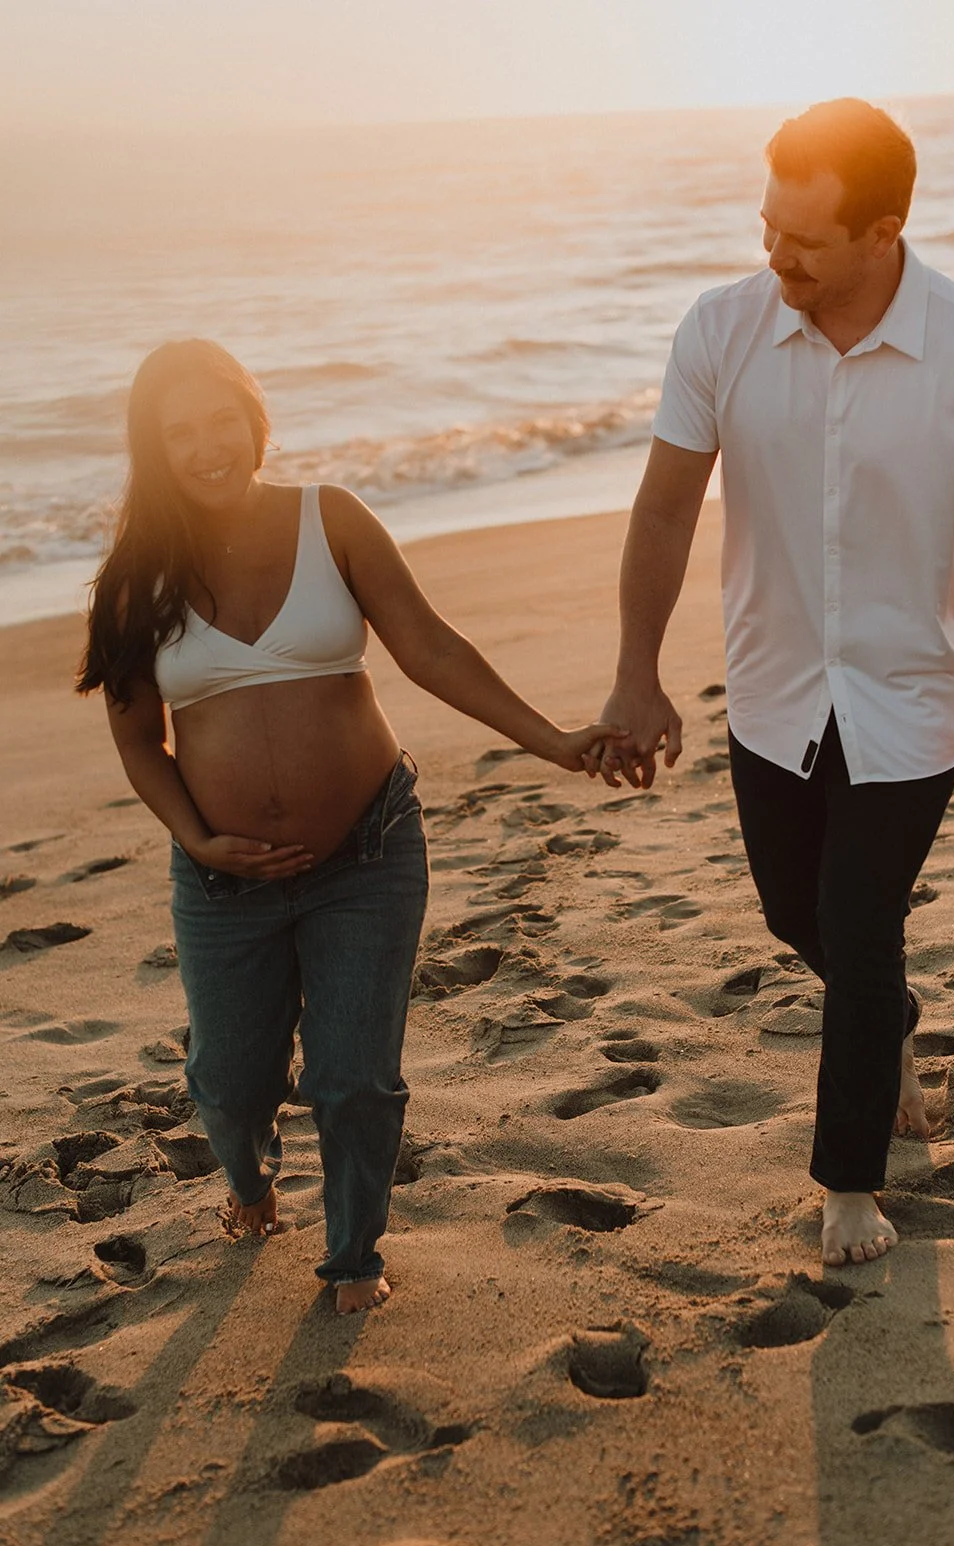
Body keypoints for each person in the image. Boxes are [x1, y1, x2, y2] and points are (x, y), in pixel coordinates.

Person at [595, 99, 954, 1268]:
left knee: (858, 922)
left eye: (801, 236)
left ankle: (850, 1181)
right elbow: (660, 507)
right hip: (771, 684)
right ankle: (888, 1018)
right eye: (765, 223)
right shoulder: (720, 330)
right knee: (791, 913)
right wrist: (635, 673)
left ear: (882, 232)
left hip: (911, 695)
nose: (772, 252)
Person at [79, 339, 619, 1313]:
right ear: (153, 449)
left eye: (220, 420)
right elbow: (135, 737)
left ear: (254, 415)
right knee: (234, 1082)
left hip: (367, 849)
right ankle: (249, 1179)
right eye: (180, 432)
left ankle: (354, 1256)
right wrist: (199, 841)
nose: (207, 447)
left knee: (354, 1074)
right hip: (221, 879)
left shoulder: (331, 519)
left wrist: (549, 740)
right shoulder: (137, 577)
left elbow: (429, 649)